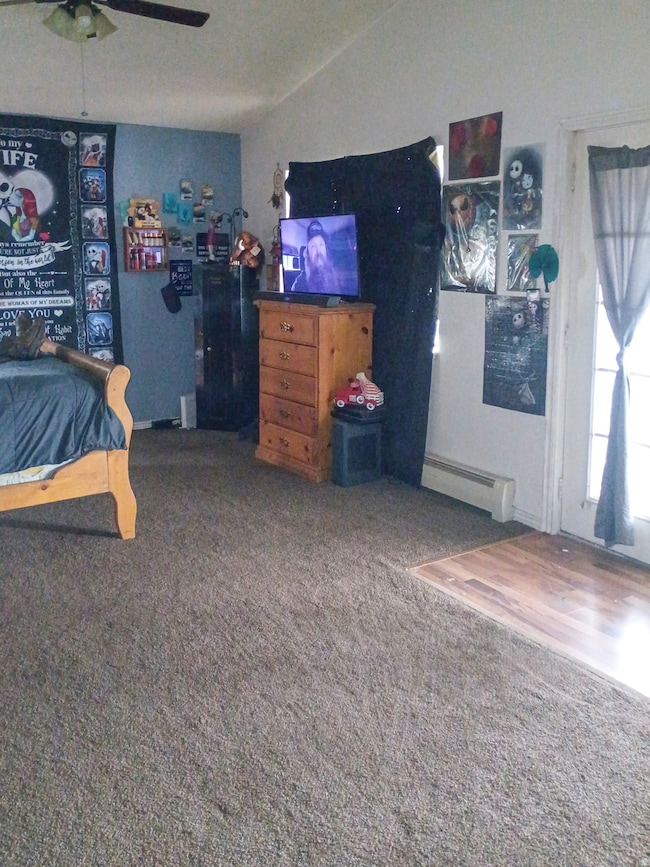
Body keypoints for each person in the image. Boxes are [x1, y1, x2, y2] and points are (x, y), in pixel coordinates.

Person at [291, 219, 340, 294]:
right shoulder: (299, 284)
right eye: (313, 246)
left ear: (326, 251)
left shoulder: (339, 277)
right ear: (308, 254)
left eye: (321, 244)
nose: (318, 251)